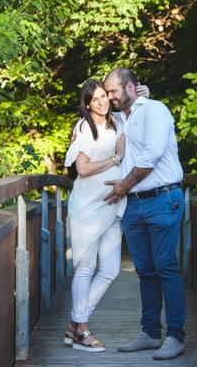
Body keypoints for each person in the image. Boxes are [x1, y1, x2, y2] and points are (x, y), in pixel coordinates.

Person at [102, 67, 187, 360]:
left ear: (129, 88)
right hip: (133, 205)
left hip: (162, 199)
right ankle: (150, 333)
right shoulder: (119, 119)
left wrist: (124, 185)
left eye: (112, 91)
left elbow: (151, 156)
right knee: (145, 271)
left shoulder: (155, 110)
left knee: (165, 267)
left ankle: (176, 337)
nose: (109, 97)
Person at [62, 78, 148, 352]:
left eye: (103, 96)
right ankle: (82, 329)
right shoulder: (84, 127)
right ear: (87, 104)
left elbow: (139, 113)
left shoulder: (118, 123)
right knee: (86, 268)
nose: (101, 101)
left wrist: (145, 94)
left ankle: (75, 323)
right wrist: (115, 158)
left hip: (113, 205)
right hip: (87, 206)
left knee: (110, 270)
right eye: (95, 98)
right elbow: (83, 169)